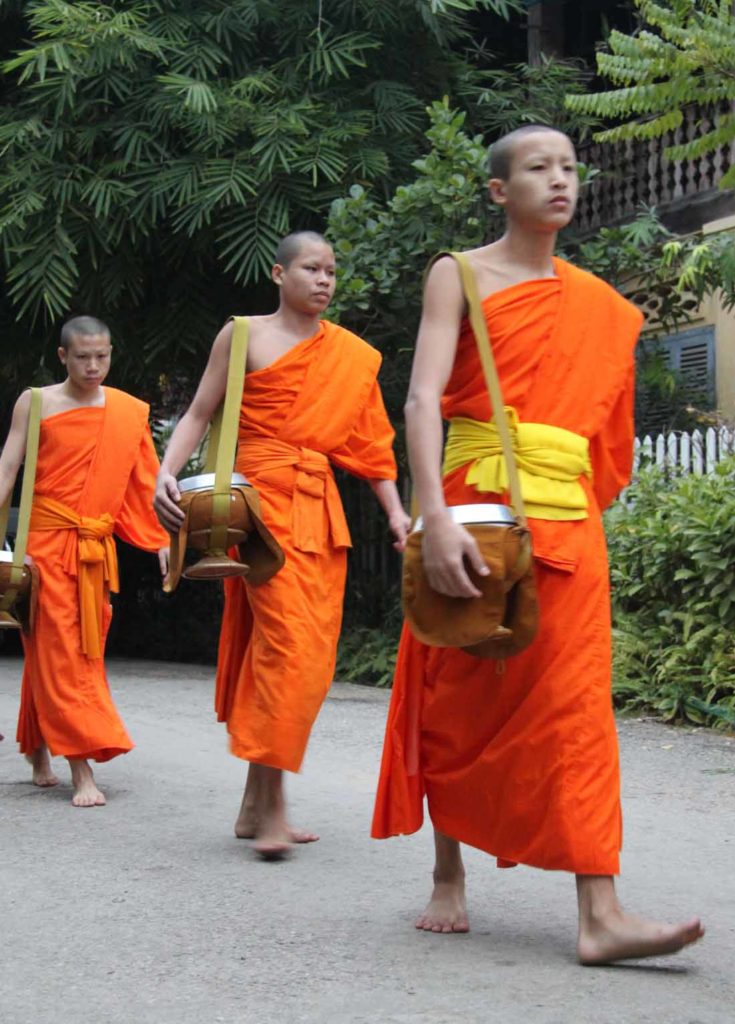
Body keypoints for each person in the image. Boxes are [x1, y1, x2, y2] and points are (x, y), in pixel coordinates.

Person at [371, 126, 705, 964]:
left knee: (579, 717)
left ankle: (601, 912)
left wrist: (568, 505)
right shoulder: (460, 274)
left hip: (568, 526)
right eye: (537, 168)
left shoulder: (600, 306)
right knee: (456, 691)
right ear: (498, 191)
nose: (559, 180)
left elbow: (608, 444)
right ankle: (448, 872)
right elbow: (421, 402)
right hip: (476, 508)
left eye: (568, 168)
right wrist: (433, 515)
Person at [154, 231, 409, 858]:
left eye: (331, 271)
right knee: (289, 652)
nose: (324, 280)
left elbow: (374, 448)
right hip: (258, 514)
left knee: (311, 662)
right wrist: (165, 470)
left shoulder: (349, 355)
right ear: (278, 273)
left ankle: (254, 803)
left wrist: (398, 514)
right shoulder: (242, 335)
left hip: (319, 514)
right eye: (310, 268)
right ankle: (274, 808)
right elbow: (199, 412)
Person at [0, 316, 169, 807]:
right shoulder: (36, 403)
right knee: (66, 654)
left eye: (103, 356)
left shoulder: (126, 413)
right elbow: (8, 468)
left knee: (56, 651)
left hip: (94, 549)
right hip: (45, 545)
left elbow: (144, 483)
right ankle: (82, 768)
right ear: (62, 357)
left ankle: (37, 749)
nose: (94, 366)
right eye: (82, 357)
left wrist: (161, 541)